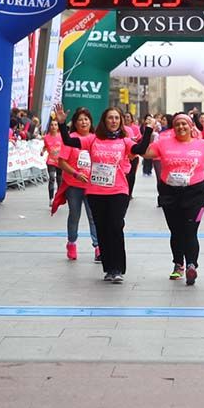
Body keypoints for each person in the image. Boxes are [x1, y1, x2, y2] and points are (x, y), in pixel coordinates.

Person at [54, 106, 152, 283]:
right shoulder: (93, 139)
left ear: (120, 121)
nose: (113, 121)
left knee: (115, 227)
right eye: (110, 118)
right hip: (96, 192)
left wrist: (149, 129)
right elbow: (68, 141)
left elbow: (142, 149)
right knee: (102, 230)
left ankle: (118, 268)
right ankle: (108, 268)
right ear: (104, 121)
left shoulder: (125, 141)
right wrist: (61, 123)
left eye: (116, 118)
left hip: (118, 191)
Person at [138, 112, 204, 285]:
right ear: (174, 128)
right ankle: (178, 264)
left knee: (190, 230)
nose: (181, 127)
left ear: (191, 126)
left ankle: (191, 265)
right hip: (169, 194)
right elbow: (143, 153)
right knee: (176, 231)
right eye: (178, 124)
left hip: (195, 194)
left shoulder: (202, 145)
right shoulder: (163, 144)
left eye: (185, 124)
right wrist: (148, 130)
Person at [50, 107, 101, 261]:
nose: (83, 122)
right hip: (73, 185)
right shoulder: (70, 139)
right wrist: (76, 174)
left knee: (94, 217)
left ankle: (98, 247)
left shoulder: (96, 138)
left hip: (92, 186)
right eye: (80, 119)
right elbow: (61, 162)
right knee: (75, 215)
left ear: (91, 122)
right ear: (75, 123)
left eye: (86, 119)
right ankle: (71, 243)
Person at [43, 117, 64, 202]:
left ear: (58, 127)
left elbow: (66, 147)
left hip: (60, 161)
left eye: (55, 125)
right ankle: (51, 198)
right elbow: (45, 146)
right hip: (51, 161)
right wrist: (42, 150)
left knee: (59, 180)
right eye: (52, 125)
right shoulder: (46, 137)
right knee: (52, 178)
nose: (53, 127)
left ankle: (58, 197)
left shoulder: (62, 137)